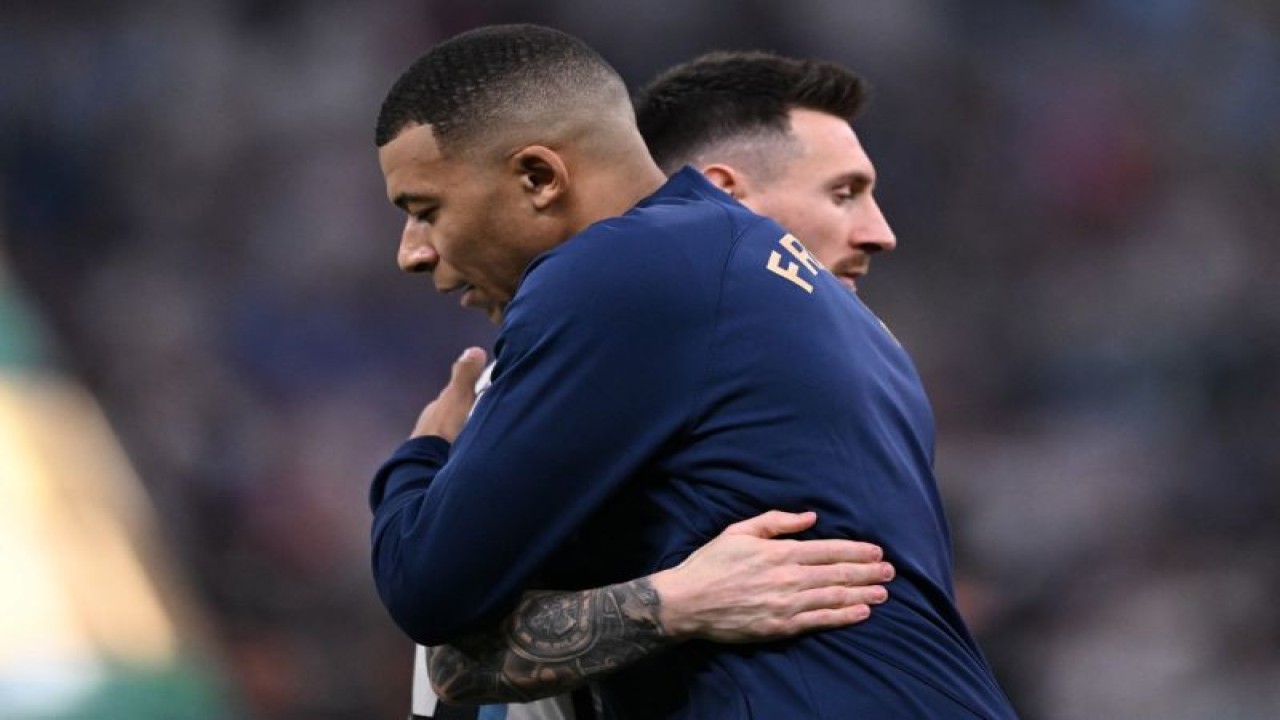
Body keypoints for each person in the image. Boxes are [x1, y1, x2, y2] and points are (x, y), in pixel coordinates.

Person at [370, 25, 1016, 718]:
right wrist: (677, 603)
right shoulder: (837, 316)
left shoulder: (619, 271)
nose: (411, 252)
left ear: (538, 177)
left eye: (426, 211)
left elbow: (429, 591)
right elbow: (464, 658)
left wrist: (425, 453)